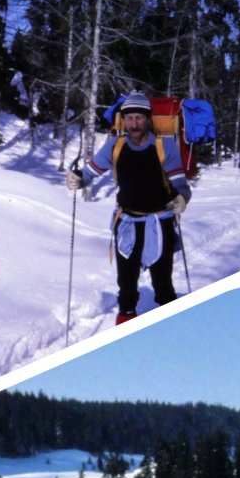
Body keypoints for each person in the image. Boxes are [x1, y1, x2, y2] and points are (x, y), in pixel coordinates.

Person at [66, 91, 192, 325]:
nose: (134, 124)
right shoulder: (116, 145)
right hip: (126, 223)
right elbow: (91, 171)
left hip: (159, 223)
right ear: (123, 120)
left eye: (139, 118)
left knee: (163, 282)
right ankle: (126, 324)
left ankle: (175, 328)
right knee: (126, 282)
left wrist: (182, 198)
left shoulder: (165, 146)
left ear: (148, 119)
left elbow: (181, 185)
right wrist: (78, 178)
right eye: (130, 118)